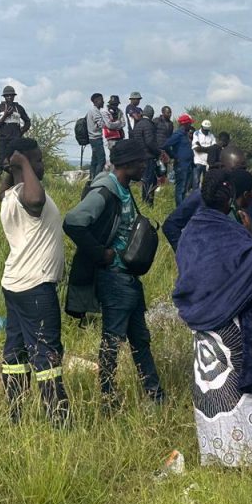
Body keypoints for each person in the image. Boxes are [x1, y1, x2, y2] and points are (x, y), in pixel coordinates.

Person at [173, 168, 252, 466]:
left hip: (207, 335)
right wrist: (251, 235)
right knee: (242, 397)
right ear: (231, 198)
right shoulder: (231, 232)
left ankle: (215, 455)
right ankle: (251, 460)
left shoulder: (190, 231)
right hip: (238, 329)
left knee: (213, 394)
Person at [63, 139, 164, 410]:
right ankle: (108, 399)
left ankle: (155, 397)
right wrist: (100, 253)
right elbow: (73, 222)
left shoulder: (123, 188)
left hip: (127, 278)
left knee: (140, 340)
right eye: (141, 162)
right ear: (128, 164)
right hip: (114, 278)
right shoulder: (105, 190)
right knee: (112, 341)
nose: (144, 167)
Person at [0, 137, 69, 426]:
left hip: (15, 284)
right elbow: (37, 201)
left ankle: (15, 415)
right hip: (36, 287)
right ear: (23, 162)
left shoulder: (9, 195)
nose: (42, 164)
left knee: (15, 353)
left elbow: (3, 191)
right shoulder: (28, 197)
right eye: (37, 159)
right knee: (46, 354)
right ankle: (59, 421)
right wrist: (23, 162)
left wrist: (13, 168)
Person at [163, 167, 252, 252]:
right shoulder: (203, 196)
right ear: (246, 194)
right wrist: (185, 253)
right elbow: (170, 225)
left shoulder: (244, 216)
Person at [0, 85, 31, 177]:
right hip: (2, 139)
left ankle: (16, 179)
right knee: (1, 162)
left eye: (11, 95)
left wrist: (21, 132)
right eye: (7, 95)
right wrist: (5, 116)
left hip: (15, 139)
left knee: (16, 160)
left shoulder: (19, 108)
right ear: (4, 97)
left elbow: (28, 122)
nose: (9, 97)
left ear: (14, 96)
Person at [162, 114, 195, 206]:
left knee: (185, 189)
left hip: (188, 165)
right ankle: (179, 208)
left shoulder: (185, 135)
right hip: (181, 166)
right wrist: (174, 156)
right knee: (181, 189)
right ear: (185, 124)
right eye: (190, 124)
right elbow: (166, 145)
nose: (191, 126)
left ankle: (182, 207)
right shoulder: (178, 135)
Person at [131, 105, 160, 205]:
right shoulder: (148, 125)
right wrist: (158, 152)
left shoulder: (138, 124)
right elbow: (150, 142)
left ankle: (146, 202)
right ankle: (147, 203)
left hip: (140, 156)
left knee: (146, 180)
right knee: (149, 180)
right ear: (151, 114)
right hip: (148, 156)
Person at [86, 93, 107, 178]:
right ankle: (96, 179)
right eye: (101, 100)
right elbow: (101, 124)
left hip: (92, 138)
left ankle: (91, 178)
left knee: (94, 161)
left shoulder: (91, 111)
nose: (103, 102)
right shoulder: (95, 111)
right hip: (96, 138)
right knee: (101, 160)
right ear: (96, 101)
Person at [192, 119, 217, 189]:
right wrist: (208, 149)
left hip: (207, 163)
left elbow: (214, 148)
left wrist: (202, 148)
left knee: (206, 182)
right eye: (205, 129)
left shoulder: (211, 136)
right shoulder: (196, 133)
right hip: (198, 161)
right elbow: (197, 149)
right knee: (196, 181)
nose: (206, 131)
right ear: (201, 127)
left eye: (207, 129)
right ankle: (195, 194)